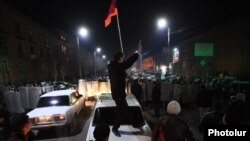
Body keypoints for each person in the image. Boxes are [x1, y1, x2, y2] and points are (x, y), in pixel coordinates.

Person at [107, 40, 142, 137]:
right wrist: (137, 53)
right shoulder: (116, 67)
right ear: (120, 58)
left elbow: (124, 65)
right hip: (118, 94)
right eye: (123, 57)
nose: (124, 59)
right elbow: (128, 63)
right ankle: (134, 123)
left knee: (121, 111)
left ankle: (115, 128)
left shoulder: (115, 67)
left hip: (118, 94)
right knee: (125, 109)